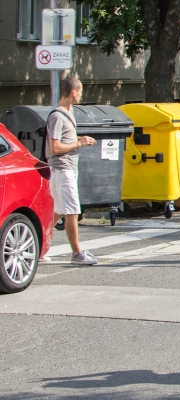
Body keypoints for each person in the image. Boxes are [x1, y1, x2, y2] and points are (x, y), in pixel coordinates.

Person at [45, 76, 98, 264]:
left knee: (58, 211)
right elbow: (54, 148)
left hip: (67, 169)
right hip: (61, 170)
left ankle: (39, 249)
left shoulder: (69, 113)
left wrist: (79, 141)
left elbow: (66, 142)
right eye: (80, 92)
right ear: (73, 92)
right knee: (73, 210)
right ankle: (77, 254)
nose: (81, 95)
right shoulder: (57, 116)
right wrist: (78, 143)